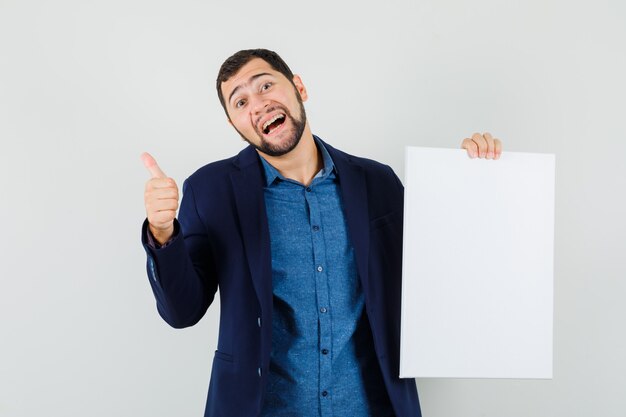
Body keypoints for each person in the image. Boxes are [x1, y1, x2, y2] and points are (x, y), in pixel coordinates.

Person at [140, 49, 502, 417]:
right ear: (236, 124)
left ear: (299, 87)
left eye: (266, 85)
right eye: (240, 102)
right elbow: (181, 311)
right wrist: (163, 231)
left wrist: (469, 180)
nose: (258, 104)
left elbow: (435, 277)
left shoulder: (378, 183)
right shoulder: (210, 190)